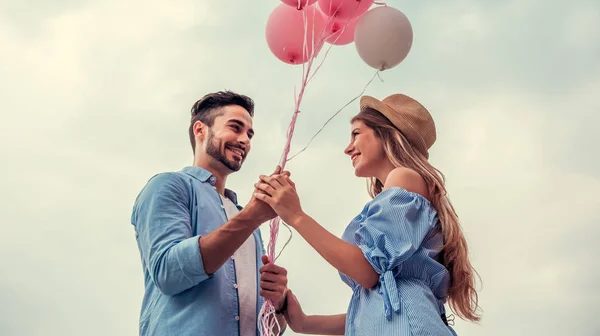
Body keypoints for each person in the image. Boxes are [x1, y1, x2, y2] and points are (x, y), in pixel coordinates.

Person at [254, 93, 481, 335]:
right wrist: (303, 323)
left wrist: (296, 216)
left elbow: (367, 272)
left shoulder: (404, 177)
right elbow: (378, 310)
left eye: (356, 133)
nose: (347, 148)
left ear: (386, 134)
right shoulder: (405, 191)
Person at [131, 91, 289, 336]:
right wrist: (252, 216)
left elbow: (270, 328)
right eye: (235, 127)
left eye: (249, 134)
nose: (244, 140)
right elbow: (167, 272)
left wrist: (278, 303)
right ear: (200, 130)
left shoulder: (249, 226)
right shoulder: (168, 186)